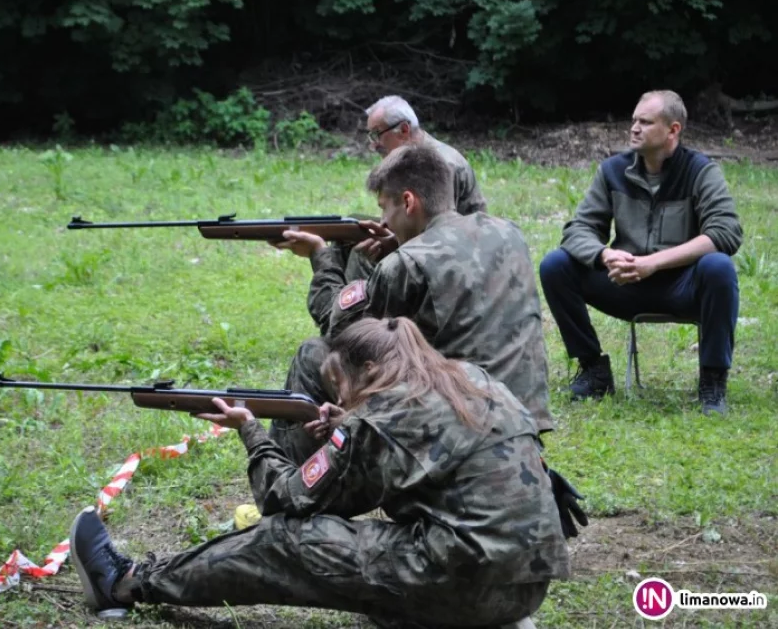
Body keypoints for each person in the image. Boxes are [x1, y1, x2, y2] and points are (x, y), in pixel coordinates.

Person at [69, 317, 570, 628]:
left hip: (471, 592)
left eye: (341, 385)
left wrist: (251, 432)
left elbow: (284, 500)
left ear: (368, 371)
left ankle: (126, 583)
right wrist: (349, 426)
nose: (343, 398)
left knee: (284, 540)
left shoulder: (379, 419)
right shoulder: (477, 381)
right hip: (527, 588)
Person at [271, 143, 553, 465]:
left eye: (384, 208)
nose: (382, 221)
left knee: (312, 355)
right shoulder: (509, 233)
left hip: (461, 425)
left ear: (408, 201)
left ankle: (289, 481)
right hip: (522, 417)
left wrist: (320, 255)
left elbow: (340, 331)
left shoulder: (406, 264)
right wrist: (402, 244)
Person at [538, 90, 743, 415]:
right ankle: (593, 371)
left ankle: (713, 381)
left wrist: (653, 263)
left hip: (682, 288)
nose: (634, 128)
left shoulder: (700, 171)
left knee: (719, 267)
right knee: (555, 265)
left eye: (645, 122)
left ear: (673, 130)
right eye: (634, 120)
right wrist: (605, 256)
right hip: (625, 284)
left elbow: (726, 232)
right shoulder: (612, 171)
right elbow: (578, 230)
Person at [343, 95, 488, 278]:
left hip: (459, 251)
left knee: (362, 254)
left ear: (404, 129)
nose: (373, 145)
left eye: (377, 134)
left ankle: (353, 295)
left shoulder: (440, 163)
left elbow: (442, 232)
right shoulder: (411, 158)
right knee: (350, 230)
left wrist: (390, 243)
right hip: (430, 236)